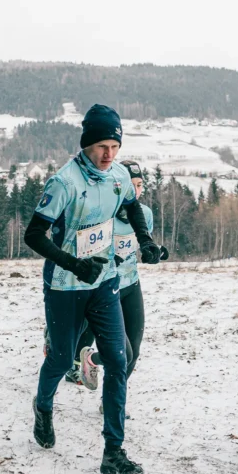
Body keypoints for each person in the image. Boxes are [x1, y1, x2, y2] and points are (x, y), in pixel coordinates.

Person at [23, 104, 163, 474]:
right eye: (102, 146)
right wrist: (73, 263)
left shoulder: (118, 175)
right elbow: (33, 234)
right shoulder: (64, 182)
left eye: (114, 147)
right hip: (66, 285)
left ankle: (113, 452)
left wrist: (146, 241)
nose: (108, 155)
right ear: (86, 144)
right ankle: (43, 406)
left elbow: (132, 208)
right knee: (61, 358)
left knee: (118, 360)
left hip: (104, 281)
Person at [63, 160, 167, 397]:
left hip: (131, 285)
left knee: (135, 351)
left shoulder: (145, 214)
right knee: (123, 353)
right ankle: (88, 357)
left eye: (140, 185)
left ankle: (112, 398)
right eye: (131, 185)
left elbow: (140, 245)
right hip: (105, 290)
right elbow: (81, 251)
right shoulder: (101, 213)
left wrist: (155, 252)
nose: (136, 191)